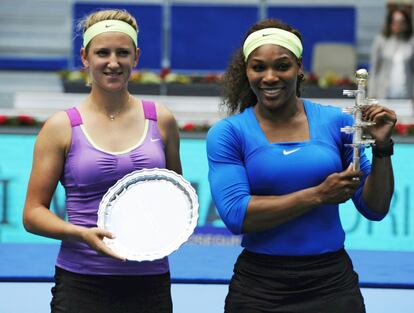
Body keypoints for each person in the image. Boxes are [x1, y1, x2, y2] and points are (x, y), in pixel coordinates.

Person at [206, 19, 396, 313]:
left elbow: (375, 208)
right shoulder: (229, 133)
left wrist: (383, 148)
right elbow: (236, 215)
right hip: (259, 289)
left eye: (282, 66)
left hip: (332, 284)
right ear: (246, 71)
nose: (270, 77)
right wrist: (318, 195)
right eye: (258, 67)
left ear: (299, 68)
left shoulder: (338, 123)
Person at [22, 9, 181, 313]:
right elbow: (32, 214)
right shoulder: (60, 127)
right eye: (102, 52)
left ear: (135, 56)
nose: (113, 62)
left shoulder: (161, 120)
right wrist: (80, 233)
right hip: (81, 281)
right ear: (84, 57)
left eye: (122, 53)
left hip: (150, 281)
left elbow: (174, 197)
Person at [368, 7, 414, 99]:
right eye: (394, 21)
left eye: (401, 21)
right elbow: (374, 69)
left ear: (406, 23)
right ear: (389, 22)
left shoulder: (411, 41)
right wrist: (371, 94)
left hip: (407, 96)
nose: (397, 24)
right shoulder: (380, 40)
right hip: (383, 95)